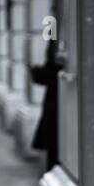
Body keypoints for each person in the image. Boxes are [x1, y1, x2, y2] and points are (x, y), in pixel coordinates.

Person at [29, 38, 62, 172]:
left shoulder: (56, 30)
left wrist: (35, 72)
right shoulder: (55, 28)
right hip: (58, 103)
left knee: (54, 152)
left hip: (58, 104)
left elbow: (50, 73)